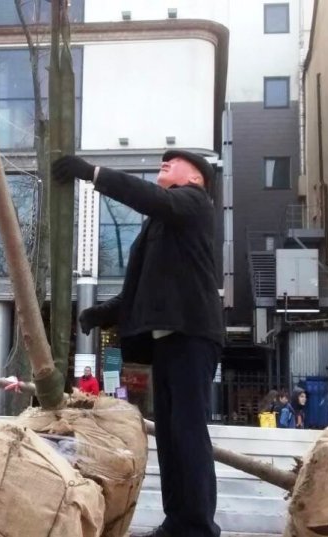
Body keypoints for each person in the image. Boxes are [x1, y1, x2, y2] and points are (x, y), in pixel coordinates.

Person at [53, 150, 223, 537]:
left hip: (192, 336)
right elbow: (143, 288)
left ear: (196, 179)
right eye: (165, 159)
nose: (166, 161)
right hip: (168, 340)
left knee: (188, 431)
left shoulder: (193, 204)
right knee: (170, 434)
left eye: (176, 161)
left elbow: (149, 196)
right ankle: (177, 522)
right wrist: (104, 312)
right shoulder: (160, 226)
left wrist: (93, 173)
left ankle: (197, 527)